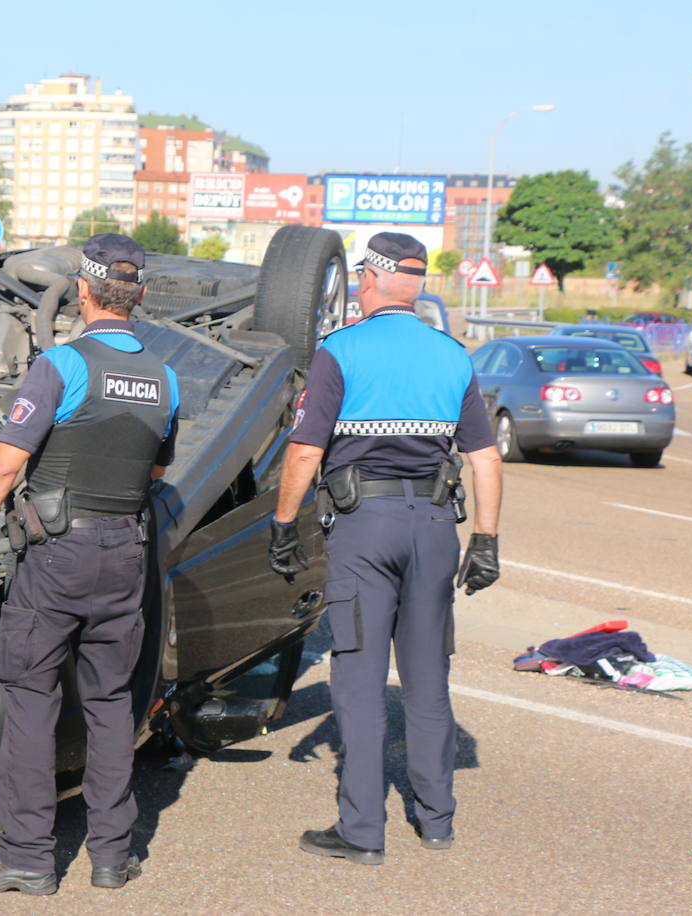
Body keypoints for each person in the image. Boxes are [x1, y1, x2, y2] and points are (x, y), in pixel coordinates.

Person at [0, 234, 179, 895]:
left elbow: (7, 460)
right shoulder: (165, 378)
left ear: (82, 289)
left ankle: (26, 857)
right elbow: (158, 467)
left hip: (57, 558)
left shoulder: (61, 366)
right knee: (110, 706)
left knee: (31, 704)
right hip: (124, 556)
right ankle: (110, 855)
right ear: (142, 294)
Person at [268, 232, 502, 866]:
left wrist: (284, 523)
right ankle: (436, 822)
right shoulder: (453, 354)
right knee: (428, 683)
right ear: (418, 285)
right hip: (433, 528)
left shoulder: (339, 351)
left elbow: (305, 450)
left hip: (365, 529)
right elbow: (484, 457)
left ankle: (363, 832)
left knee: (361, 681)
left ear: (369, 282)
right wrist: (485, 539)